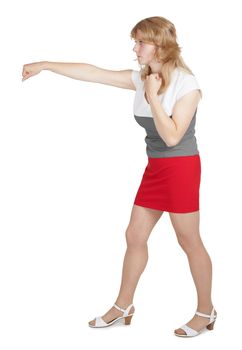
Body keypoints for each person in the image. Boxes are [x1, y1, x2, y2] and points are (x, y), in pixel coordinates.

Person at [22, 16, 217, 337]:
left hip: (181, 168)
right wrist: (45, 65)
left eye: (141, 42)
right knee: (134, 236)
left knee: (188, 240)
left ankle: (205, 310)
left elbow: (172, 137)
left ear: (161, 46)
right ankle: (123, 305)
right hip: (155, 168)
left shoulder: (186, 84)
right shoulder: (144, 79)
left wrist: (154, 97)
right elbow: (94, 73)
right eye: (135, 41)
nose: (135, 48)